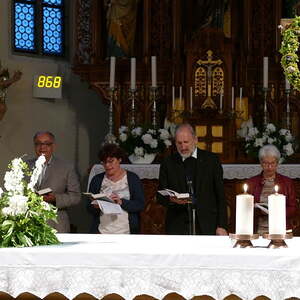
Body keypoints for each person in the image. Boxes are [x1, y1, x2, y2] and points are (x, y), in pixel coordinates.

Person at [157, 123, 228, 235]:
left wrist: (222, 225)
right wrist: (172, 200)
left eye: (186, 142)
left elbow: (220, 195)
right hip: (177, 224)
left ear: (195, 140)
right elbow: (160, 196)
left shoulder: (211, 160)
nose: (183, 147)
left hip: (207, 224)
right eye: (179, 143)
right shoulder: (168, 162)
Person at [27, 131, 81, 233]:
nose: (42, 147)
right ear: (34, 146)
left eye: (47, 144)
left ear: (53, 146)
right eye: (38, 144)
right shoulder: (24, 166)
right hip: (29, 224)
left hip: (56, 225)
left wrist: (55, 199)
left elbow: (76, 197)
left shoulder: (66, 167)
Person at [87, 143, 145, 234]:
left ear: (119, 159)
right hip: (102, 232)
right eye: (104, 162)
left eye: (111, 161)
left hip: (126, 232)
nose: (107, 165)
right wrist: (95, 206)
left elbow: (140, 204)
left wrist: (121, 202)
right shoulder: (97, 180)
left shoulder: (132, 179)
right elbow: (88, 207)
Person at [246, 144, 297, 234]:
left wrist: (275, 212)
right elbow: (245, 208)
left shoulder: (287, 182)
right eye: (266, 163)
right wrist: (259, 211)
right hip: (258, 230)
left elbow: (293, 208)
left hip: (281, 230)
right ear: (261, 163)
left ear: (277, 163)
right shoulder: (252, 182)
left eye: (272, 163)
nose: (269, 167)